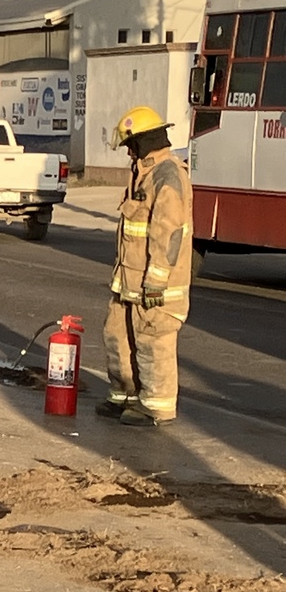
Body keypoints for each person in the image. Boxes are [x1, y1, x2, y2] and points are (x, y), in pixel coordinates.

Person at [98, 105, 194, 427]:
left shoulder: (168, 175)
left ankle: (155, 406)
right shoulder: (143, 173)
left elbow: (168, 233)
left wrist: (156, 282)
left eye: (130, 145)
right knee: (117, 335)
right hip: (129, 282)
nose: (128, 152)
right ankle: (125, 395)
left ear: (144, 142)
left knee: (154, 342)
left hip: (155, 286)